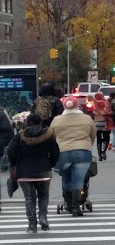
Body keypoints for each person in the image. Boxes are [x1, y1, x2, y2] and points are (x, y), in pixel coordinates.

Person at [6, 105, 58, 233]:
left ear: (26, 122)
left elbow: (11, 153)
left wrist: (15, 164)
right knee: (43, 196)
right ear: (40, 122)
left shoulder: (20, 136)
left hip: (24, 173)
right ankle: (43, 217)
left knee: (29, 198)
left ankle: (32, 225)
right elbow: (55, 153)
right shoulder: (48, 135)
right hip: (44, 172)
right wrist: (49, 164)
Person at [49, 97, 96, 217]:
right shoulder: (87, 119)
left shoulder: (57, 120)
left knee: (66, 179)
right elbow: (92, 134)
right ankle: (76, 206)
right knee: (79, 180)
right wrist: (87, 145)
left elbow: (51, 136)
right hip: (83, 151)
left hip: (63, 152)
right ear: (77, 106)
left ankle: (69, 204)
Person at [92, 88, 113, 161]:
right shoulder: (106, 102)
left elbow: (92, 112)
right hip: (105, 122)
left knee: (98, 138)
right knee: (106, 137)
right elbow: (109, 111)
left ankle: (99, 155)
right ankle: (103, 151)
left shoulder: (93, 103)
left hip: (97, 122)